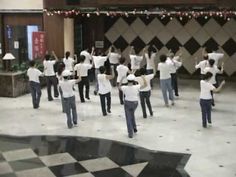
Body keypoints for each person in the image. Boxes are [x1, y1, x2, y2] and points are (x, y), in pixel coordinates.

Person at [120, 74, 147, 138]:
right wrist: (143, 78)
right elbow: (145, 85)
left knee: (128, 117)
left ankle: (130, 133)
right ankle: (134, 128)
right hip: (135, 103)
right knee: (132, 114)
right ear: (133, 80)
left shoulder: (124, 87)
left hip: (127, 103)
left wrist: (121, 79)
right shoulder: (137, 87)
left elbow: (119, 86)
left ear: (128, 80)